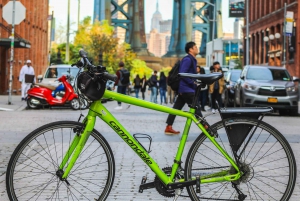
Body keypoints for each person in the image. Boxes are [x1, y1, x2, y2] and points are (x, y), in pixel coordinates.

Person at [164, 41, 202, 135]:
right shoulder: (187, 59)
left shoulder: (193, 59)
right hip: (187, 89)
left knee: (176, 109)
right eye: (195, 47)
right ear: (190, 49)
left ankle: (169, 126)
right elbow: (183, 74)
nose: (197, 48)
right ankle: (205, 127)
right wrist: (193, 83)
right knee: (196, 107)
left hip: (186, 89)